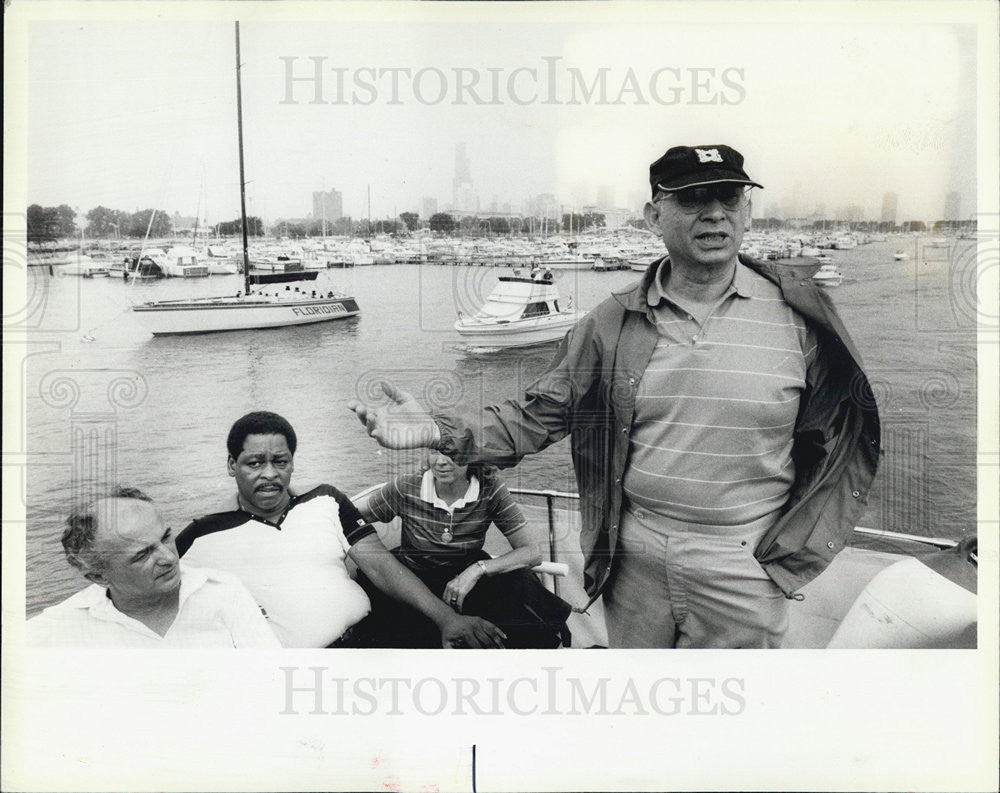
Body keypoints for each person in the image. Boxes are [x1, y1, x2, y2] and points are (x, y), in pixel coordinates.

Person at [349, 143, 881, 649]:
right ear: (653, 216)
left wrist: (788, 549)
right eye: (692, 199)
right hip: (634, 555)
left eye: (729, 197)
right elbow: (535, 417)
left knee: (730, 715)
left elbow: (835, 436)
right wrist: (439, 433)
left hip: (745, 559)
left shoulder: (801, 317)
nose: (714, 213)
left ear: (747, 212)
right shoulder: (611, 323)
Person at [175, 411, 506, 649]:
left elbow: (381, 566)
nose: (270, 474)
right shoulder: (202, 535)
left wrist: (446, 619)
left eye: (281, 461)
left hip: (370, 641)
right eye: (254, 463)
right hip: (287, 671)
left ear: (292, 462)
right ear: (231, 465)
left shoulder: (326, 500)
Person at [353, 450, 571, 648]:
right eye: (434, 451)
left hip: (464, 582)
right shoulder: (407, 487)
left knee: (521, 585)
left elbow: (531, 551)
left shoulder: (489, 489)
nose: (440, 462)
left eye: (453, 453)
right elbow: (349, 516)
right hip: (413, 581)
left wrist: (476, 570)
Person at [27, 486, 280, 648]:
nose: (169, 558)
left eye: (166, 537)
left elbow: (272, 680)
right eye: (142, 555)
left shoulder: (224, 592)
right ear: (98, 576)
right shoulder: (58, 628)